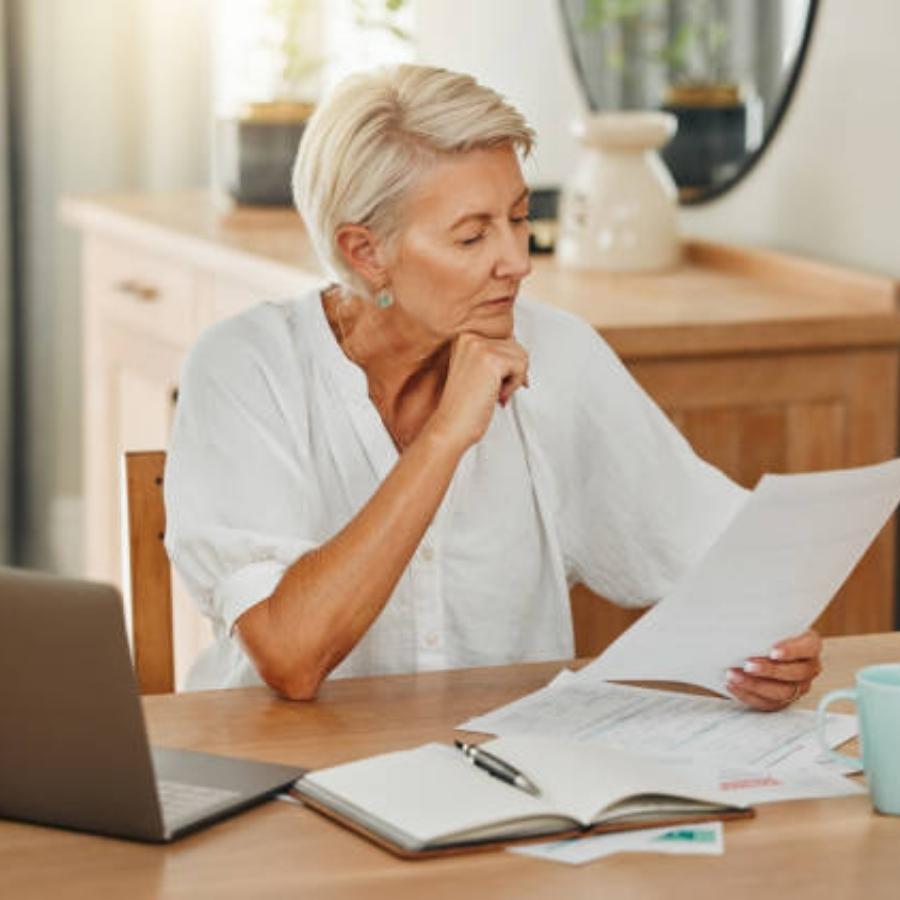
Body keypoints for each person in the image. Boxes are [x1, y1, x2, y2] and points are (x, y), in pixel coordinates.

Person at [165, 63, 822, 708]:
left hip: (505, 779)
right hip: (282, 786)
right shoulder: (244, 367)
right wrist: (447, 435)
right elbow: (290, 654)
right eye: (473, 235)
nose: (515, 261)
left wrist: (768, 649)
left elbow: (723, 554)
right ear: (366, 252)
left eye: (518, 217)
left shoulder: (558, 355)